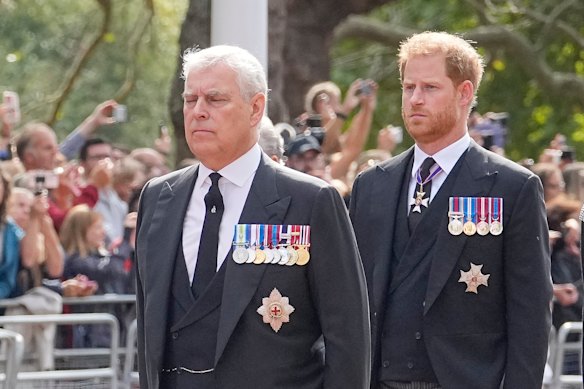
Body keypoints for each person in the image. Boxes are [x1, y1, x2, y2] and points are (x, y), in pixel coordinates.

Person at [135, 45, 370, 388]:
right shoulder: (159, 197)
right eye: (190, 99)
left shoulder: (310, 201)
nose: (198, 111)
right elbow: (148, 327)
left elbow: (347, 338)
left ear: (255, 108)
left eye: (215, 99)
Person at [349, 31, 551, 389]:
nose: (415, 99)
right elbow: (349, 301)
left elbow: (530, 313)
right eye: (408, 87)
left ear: (464, 93)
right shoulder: (372, 185)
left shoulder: (511, 187)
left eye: (429, 88)